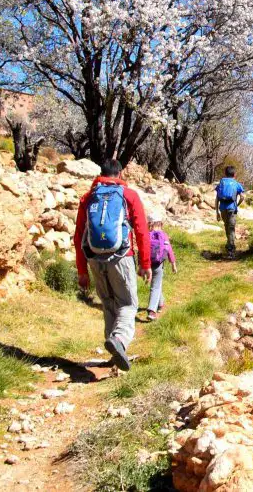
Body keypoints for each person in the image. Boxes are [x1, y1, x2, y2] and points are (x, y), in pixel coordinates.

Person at [75, 158, 151, 371]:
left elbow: (79, 235)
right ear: (119, 174)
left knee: (108, 303)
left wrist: (82, 271)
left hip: (93, 258)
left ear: (101, 173)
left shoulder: (89, 197)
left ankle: (114, 356)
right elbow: (141, 231)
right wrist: (144, 263)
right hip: (121, 257)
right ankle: (119, 340)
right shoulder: (129, 195)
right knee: (128, 304)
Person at [146, 214, 177, 321]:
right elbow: (169, 250)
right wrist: (173, 263)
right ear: (161, 223)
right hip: (159, 264)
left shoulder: (146, 235)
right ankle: (152, 311)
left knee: (155, 285)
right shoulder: (163, 235)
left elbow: (142, 251)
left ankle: (158, 304)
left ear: (149, 223)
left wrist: (141, 265)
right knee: (155, 286)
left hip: (148, 264)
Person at [216, 166, 245, 255]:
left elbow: (217, 198)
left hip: (222, 209)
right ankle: (231, 249)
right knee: (231, 228)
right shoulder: (236, 183)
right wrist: (237, 204)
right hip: (232, 208)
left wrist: (217, 211)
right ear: (234, 174)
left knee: (226, 226)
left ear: (225, 173)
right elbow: (242, 197)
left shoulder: (221, 183)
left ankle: (229, 243)